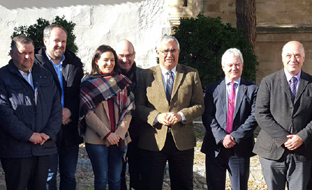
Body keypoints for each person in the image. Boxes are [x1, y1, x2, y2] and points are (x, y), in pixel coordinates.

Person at [135, 35, 204, 190]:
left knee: (183, 185)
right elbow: (138, 106)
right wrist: (157, 117)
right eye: (165, 51)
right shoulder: (145, 75)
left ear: (178, 52)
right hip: (153, 140)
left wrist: (181, 115)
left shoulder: (191, 74)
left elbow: (199, 105)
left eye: (173, 50)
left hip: (182, 140)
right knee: (150, 185)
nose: (169, 54)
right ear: (157, 52)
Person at [0, 35, 62, 190]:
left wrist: (48, 133)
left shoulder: (45, 75)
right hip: (16, 151)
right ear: (12, 53)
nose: (27, 57)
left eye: (31, 52)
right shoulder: (2, 77)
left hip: (43, 147)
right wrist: (28, 135)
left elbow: (56, 107)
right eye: (22, 52)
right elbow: (4, 113)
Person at [254, 41, 312, 190]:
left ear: (304, 57)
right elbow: (261, 113)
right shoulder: (268, 82)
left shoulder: (311, 83)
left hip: (303, 152)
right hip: (272, 152)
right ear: (282, 58)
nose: (293, 59)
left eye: (297, 55)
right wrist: (283, 138)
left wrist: (302, 136)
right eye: (289, 55)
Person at [35, 24, 84, 190]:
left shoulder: (74, 63)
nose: (60, 45)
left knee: (69, 176)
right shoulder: (35, 64)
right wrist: (57, 113)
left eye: (63, 41)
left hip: (69, 130)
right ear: (45, 40)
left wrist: (69, 110)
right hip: (47, 130)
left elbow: (80, 95)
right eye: (56, 41)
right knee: (48, 177)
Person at [201, 48, 258, 190]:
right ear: (223, 67)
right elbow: (207, 115)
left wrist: (234, 137)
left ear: (243, 66)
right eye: (230, 65)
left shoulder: (252, 89)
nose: (234, 68)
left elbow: (254, 116)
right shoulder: (212, 89)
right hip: (215, 147)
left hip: (239, 148)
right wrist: (222, 137)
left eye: (238, 64)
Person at [79, 45, 135, 190]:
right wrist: (107, 134)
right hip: (97, 139)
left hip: (119, 138)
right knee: (101, 179)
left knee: (116, 180)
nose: (109, 64)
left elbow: (128, 111)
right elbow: (87, 114)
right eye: (105, 60)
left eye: (112, 60)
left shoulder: (121, 81)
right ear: (96, 61)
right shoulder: (87, 83)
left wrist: (118, 134)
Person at [116, 39, 143, 190]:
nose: (125, 60)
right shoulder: (110, 76)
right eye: (121, 56)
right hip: (116, 132)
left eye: (129, 55)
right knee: (117, 176)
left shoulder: (143, 75)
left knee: (137, 175)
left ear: (134, 55)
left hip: (138, 133)